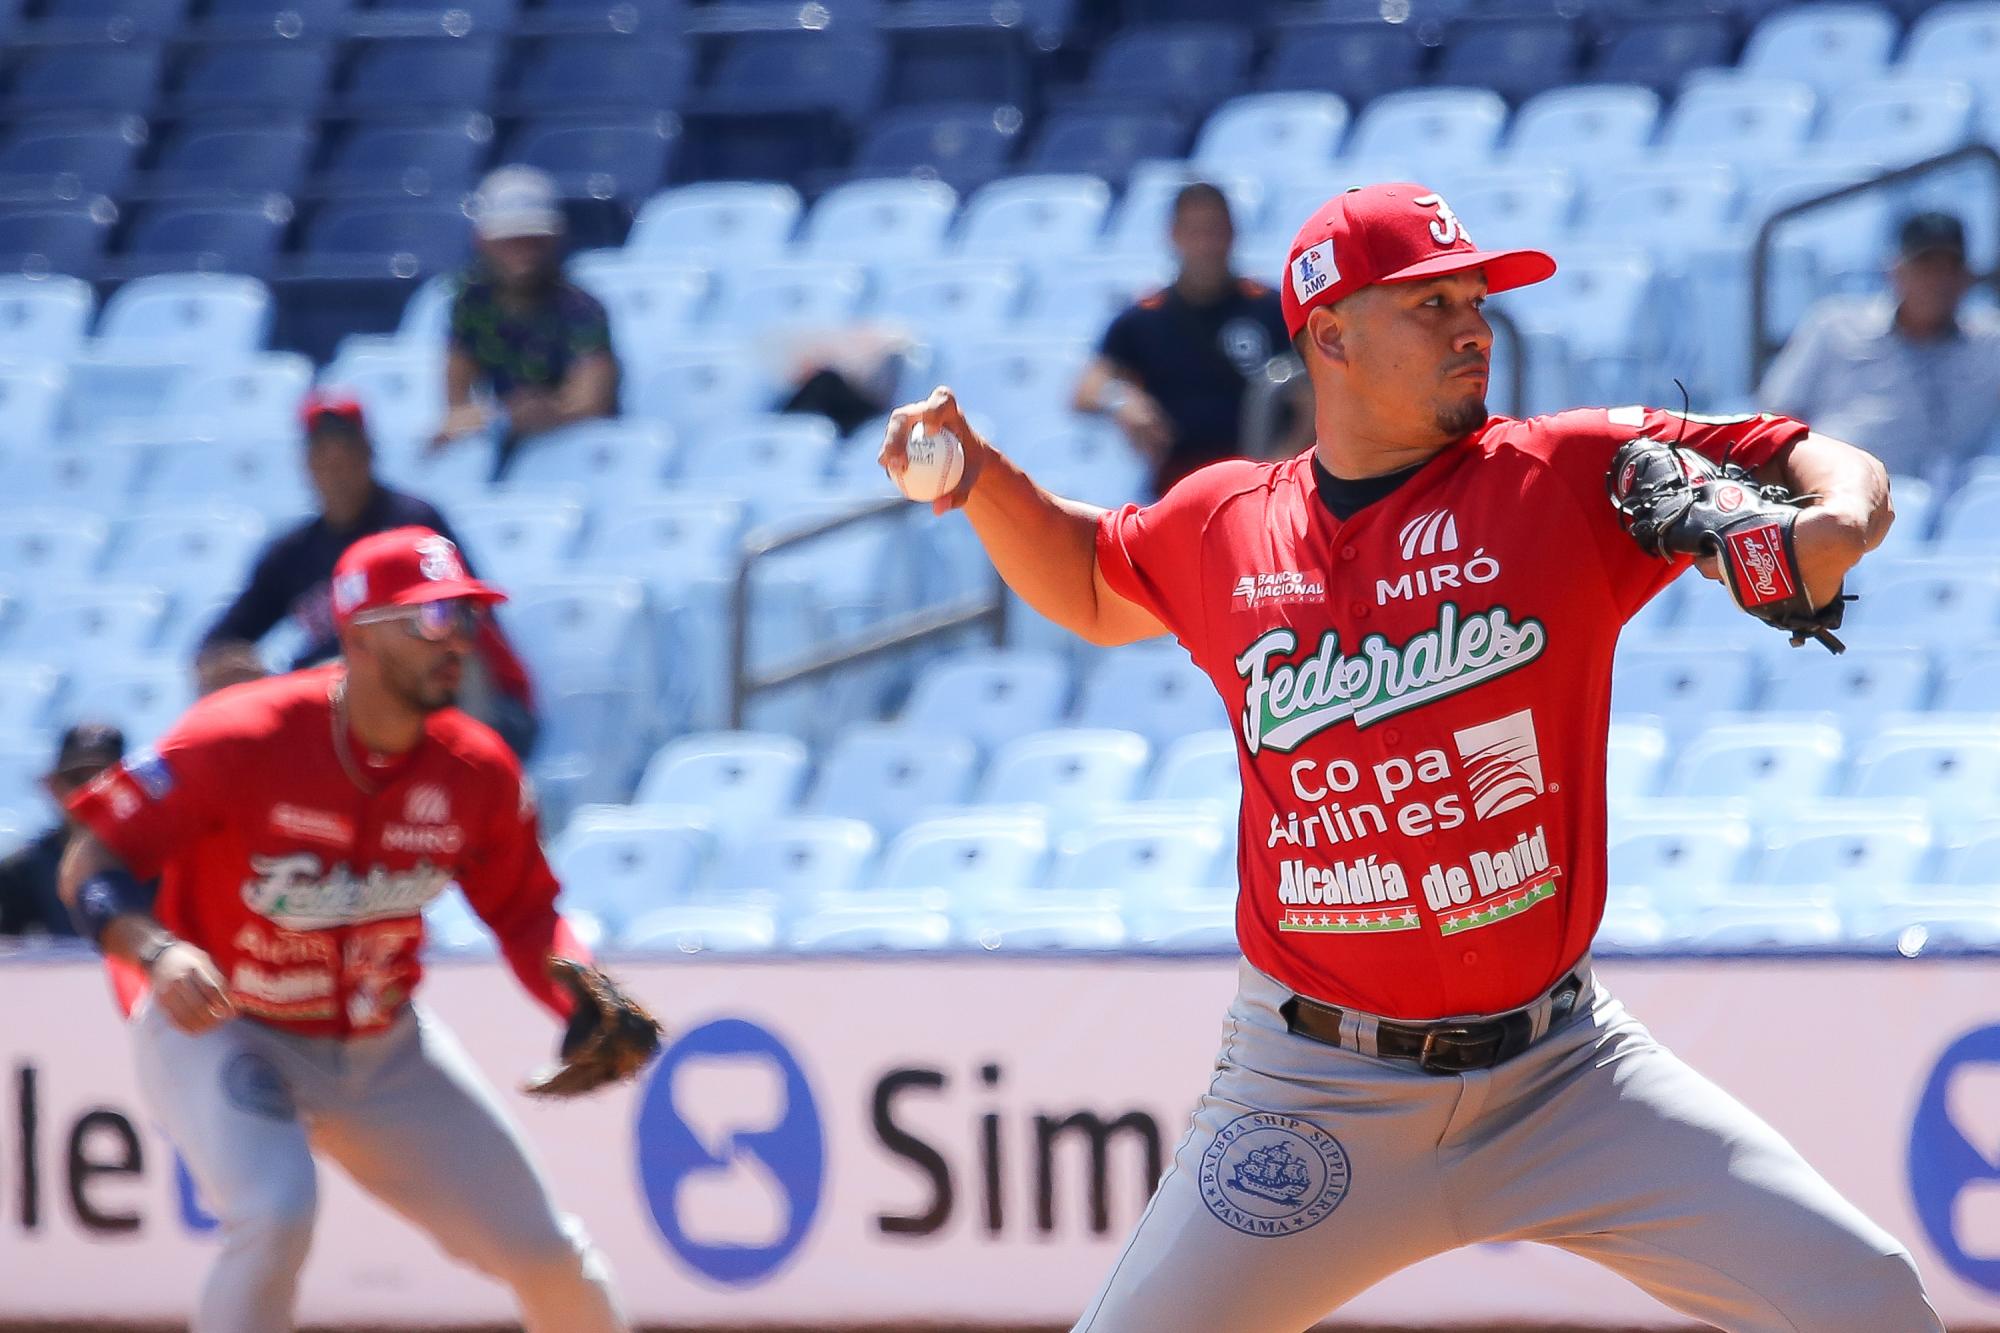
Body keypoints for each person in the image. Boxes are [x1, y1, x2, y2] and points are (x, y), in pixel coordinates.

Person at [881, 182, 1939, 1332]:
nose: (1471, 325)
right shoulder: (1226, 523)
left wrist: (1830, 525)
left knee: (1863, 1297)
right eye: (1429, 304)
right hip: (1312, 1090)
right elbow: (1090, 575)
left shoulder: (1563, 475)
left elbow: (1806, 455)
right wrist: (980, 477)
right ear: (1328, 333)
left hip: (1565, 1074)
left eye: (1473, 300)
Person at [59, 526, 633, 1333]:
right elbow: (93, 861)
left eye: (464, 616)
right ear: (359, 634)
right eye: (429, 618)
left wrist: (590, 998)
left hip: (382, 1045)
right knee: (276, 1210)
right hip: (227, 1026)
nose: (457, 639)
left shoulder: (477, 768)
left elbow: (526, 911)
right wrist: (156, 951)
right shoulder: (241, 735)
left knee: (547, 1252)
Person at [197, 390, 539, 758]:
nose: (336, 468)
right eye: (323, 456)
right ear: (307, 464)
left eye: (346, 453)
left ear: (369, 452)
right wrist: (245, 672)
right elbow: (218, 644)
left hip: (470, 699)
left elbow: (453, 630)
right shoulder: (293, 552)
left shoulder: (413, 524)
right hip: (361, 707)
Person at [1073, 182, 1309, 496]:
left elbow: (1316, 400)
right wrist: (1121, 400)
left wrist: (1279, 471)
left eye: (1215, 231)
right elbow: (1084, 390)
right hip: (1178, 488)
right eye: (1195, 232)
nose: (1206, 245)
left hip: (1264, 481)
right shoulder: (1144, 318)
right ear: (1173, 236)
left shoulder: (1270, 308)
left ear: (1233, 233)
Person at [1759, 210, 2000, 484]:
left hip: (1953, 506)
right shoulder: (1835, 325)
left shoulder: (1989, 343)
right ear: (1896, 271)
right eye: (1925, 265)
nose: (1938, 280)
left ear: (1968, 277)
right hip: (1842, 492)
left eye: (1950, 267)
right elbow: (1776, 417)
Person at [431, 165, 620, 475]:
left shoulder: (581, 310)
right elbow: (457, 405)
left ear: (556, 238)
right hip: (509, 446)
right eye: (510, 241)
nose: (523, 254)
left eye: (533, 240)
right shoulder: (471, 306)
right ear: (483, 241)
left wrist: (538, 413)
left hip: (582, 453)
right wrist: (502, 416)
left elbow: (592, 402)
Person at [0, 722, 123, 938]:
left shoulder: (160, 865)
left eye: (105, 778)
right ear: (52, 785)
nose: (90, 791)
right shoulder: (19, 872)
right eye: (77, 779)